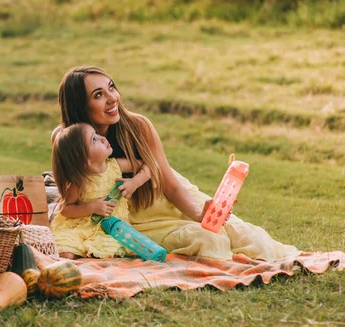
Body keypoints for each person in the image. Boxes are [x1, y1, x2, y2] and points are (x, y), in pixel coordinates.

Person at [52, 65, 299, 261]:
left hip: (170, 198)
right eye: (98, 95)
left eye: (111, 88)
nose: (112, 98)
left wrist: (197, 213)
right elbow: (71, 194)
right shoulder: (67, 141)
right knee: (208, 240)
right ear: (80, 106)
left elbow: (169, 184)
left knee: (248, 238)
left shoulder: (138, 126)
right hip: (137, 220)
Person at [50, 122, 152, 259]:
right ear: (86, 160)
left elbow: (148, 166)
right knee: (65, 252)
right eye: (94, 140)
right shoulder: (80, 182)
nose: (103, 138)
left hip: (110, 227)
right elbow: (66, 209)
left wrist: (135, 182)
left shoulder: (115, 166)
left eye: (97, 134)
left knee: (107, 248)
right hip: (83, 225)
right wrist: (92, 207)